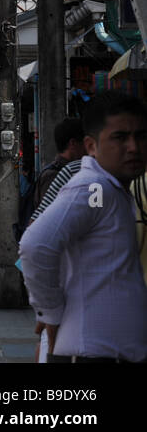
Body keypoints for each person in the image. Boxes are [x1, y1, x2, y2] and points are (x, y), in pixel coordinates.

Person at [19, 92, 147, 362]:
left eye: (141, 136)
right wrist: (50, 314)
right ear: (91, 146)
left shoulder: (114, 188)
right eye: (120, 138)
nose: (134, 147)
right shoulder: (94, 187)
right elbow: (35, 245)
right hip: (92, 354)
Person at [35, 118, 88, 204]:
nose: (88, 148)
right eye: (85, 143)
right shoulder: (54, 176)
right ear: (73, 143)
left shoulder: (76, 171)